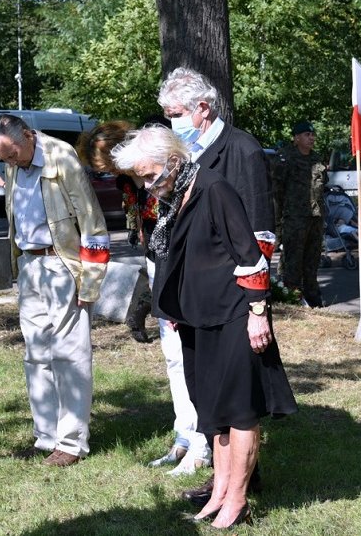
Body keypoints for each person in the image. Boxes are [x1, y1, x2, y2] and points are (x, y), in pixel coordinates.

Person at [112, 126, 297, 529]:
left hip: (233, 316)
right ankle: (219, 491)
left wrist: (258, 313)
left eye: (149, 176)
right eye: (140, 178)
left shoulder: (214, 189)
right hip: (197, 319)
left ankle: (238, 500)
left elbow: (250, 255)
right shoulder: (176, 196)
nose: (146, 186)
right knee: (211, 411)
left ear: (174, 162)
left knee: (240, 411)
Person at [156, 67, 276, 491]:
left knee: (238, 395)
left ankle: (242, 483)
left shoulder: (241, 150)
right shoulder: (185, 155)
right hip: (196, 296)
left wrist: (255, 305)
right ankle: (222, 478)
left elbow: (260, 234)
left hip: (234, 297)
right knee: (205, 389)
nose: (172, 123)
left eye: (175, 113)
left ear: (201, 109)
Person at [78, 119, 211, 475]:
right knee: (172, 357)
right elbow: (141, 227)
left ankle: (203, 441)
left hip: (181, 266)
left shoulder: (166, 175)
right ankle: (183, 435)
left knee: (191, 357)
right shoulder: (130, 181)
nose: (110, 176)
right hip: (157, 264)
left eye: (108, 168)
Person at [0, 114, 110, 467]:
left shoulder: (62, 156)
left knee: (69, 354)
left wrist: (91, 280)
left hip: (62, 264)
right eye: (3, 158)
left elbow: (92, 221)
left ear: (28, 135)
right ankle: (46, 436)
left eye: (12, 154)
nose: (10, 162)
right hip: (29, 265)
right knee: (36, 352)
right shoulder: (14, 160)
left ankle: (71, 443)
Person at [76, 120, 155, 344]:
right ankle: (144, 310)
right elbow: (134, 206)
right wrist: (137, 228)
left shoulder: (152, 168)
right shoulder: (125, 180)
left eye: (109, 166)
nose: (109, 173)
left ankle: (143, 310)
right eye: (104, 170)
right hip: (150, 235)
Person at [273, 121, 327, 307]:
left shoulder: (317, 159)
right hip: (294, 218)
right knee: (292, 261)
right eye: (306, 134)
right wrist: (278, 223)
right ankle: (292, 299)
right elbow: (277, 192)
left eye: (312, 135)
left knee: (312, 259)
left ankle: (313, 298)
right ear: (296, 138)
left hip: (316, 217)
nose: (311, 138)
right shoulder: (285, 158)